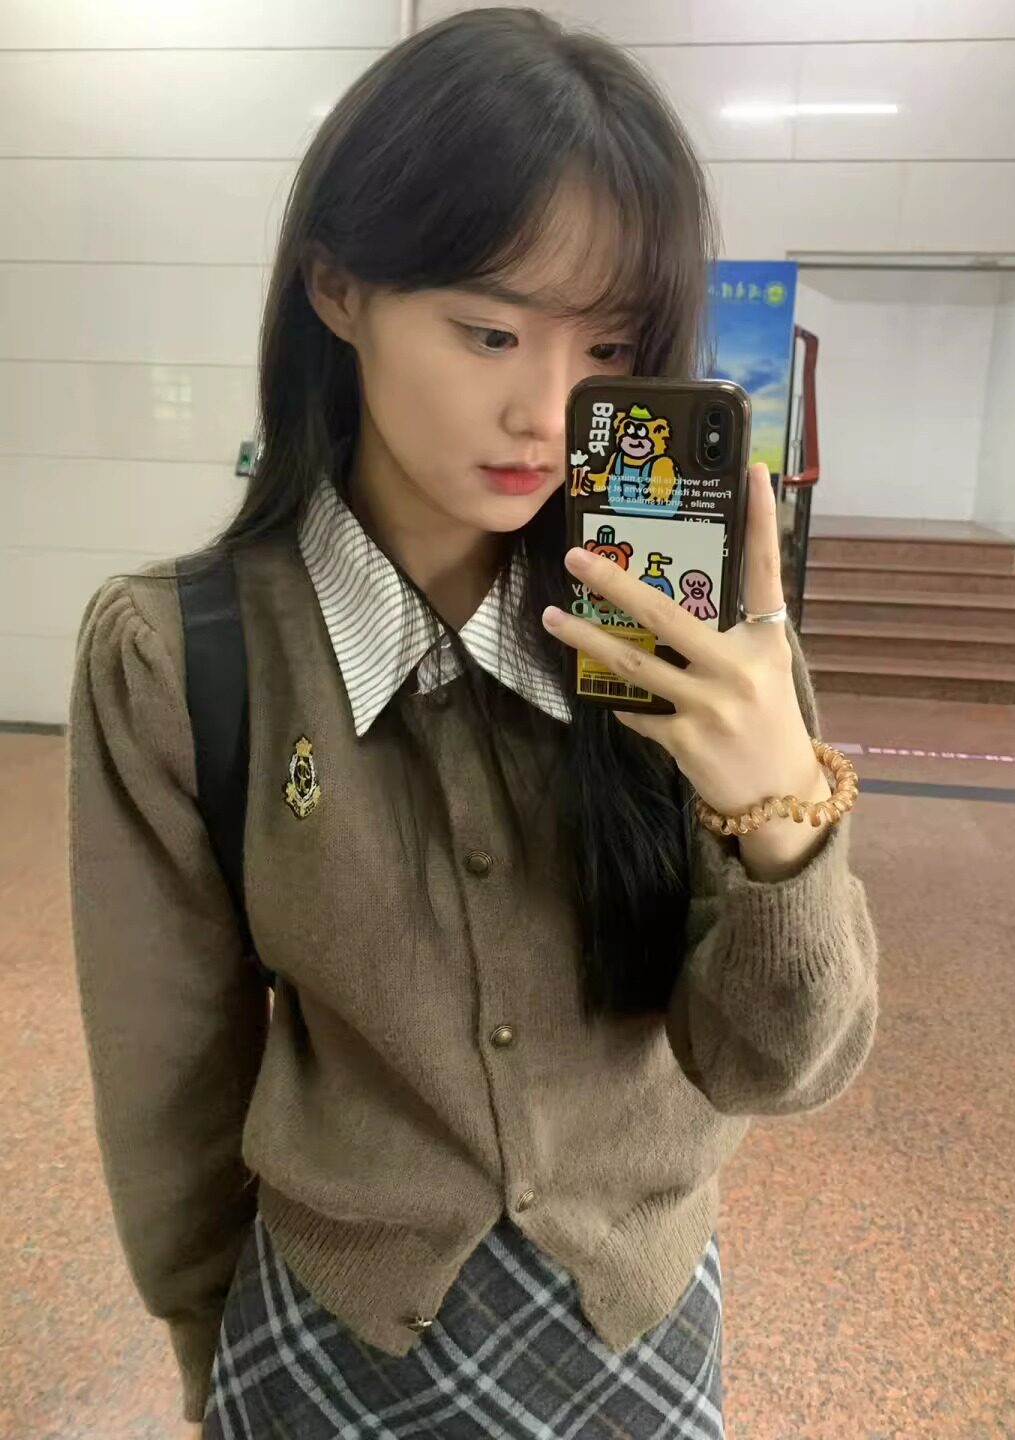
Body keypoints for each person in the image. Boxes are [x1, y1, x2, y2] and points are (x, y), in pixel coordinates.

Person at [67, 9, 878, 1438]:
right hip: (327, 1339)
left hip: (635, 1332)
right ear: (337, 288)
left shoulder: (700, 644)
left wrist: (779, 817)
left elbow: (776, 1066)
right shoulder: (181, 654)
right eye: (490, 331)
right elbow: (171, 1072)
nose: (547, 411)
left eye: (607, 344)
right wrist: (203, 1342)